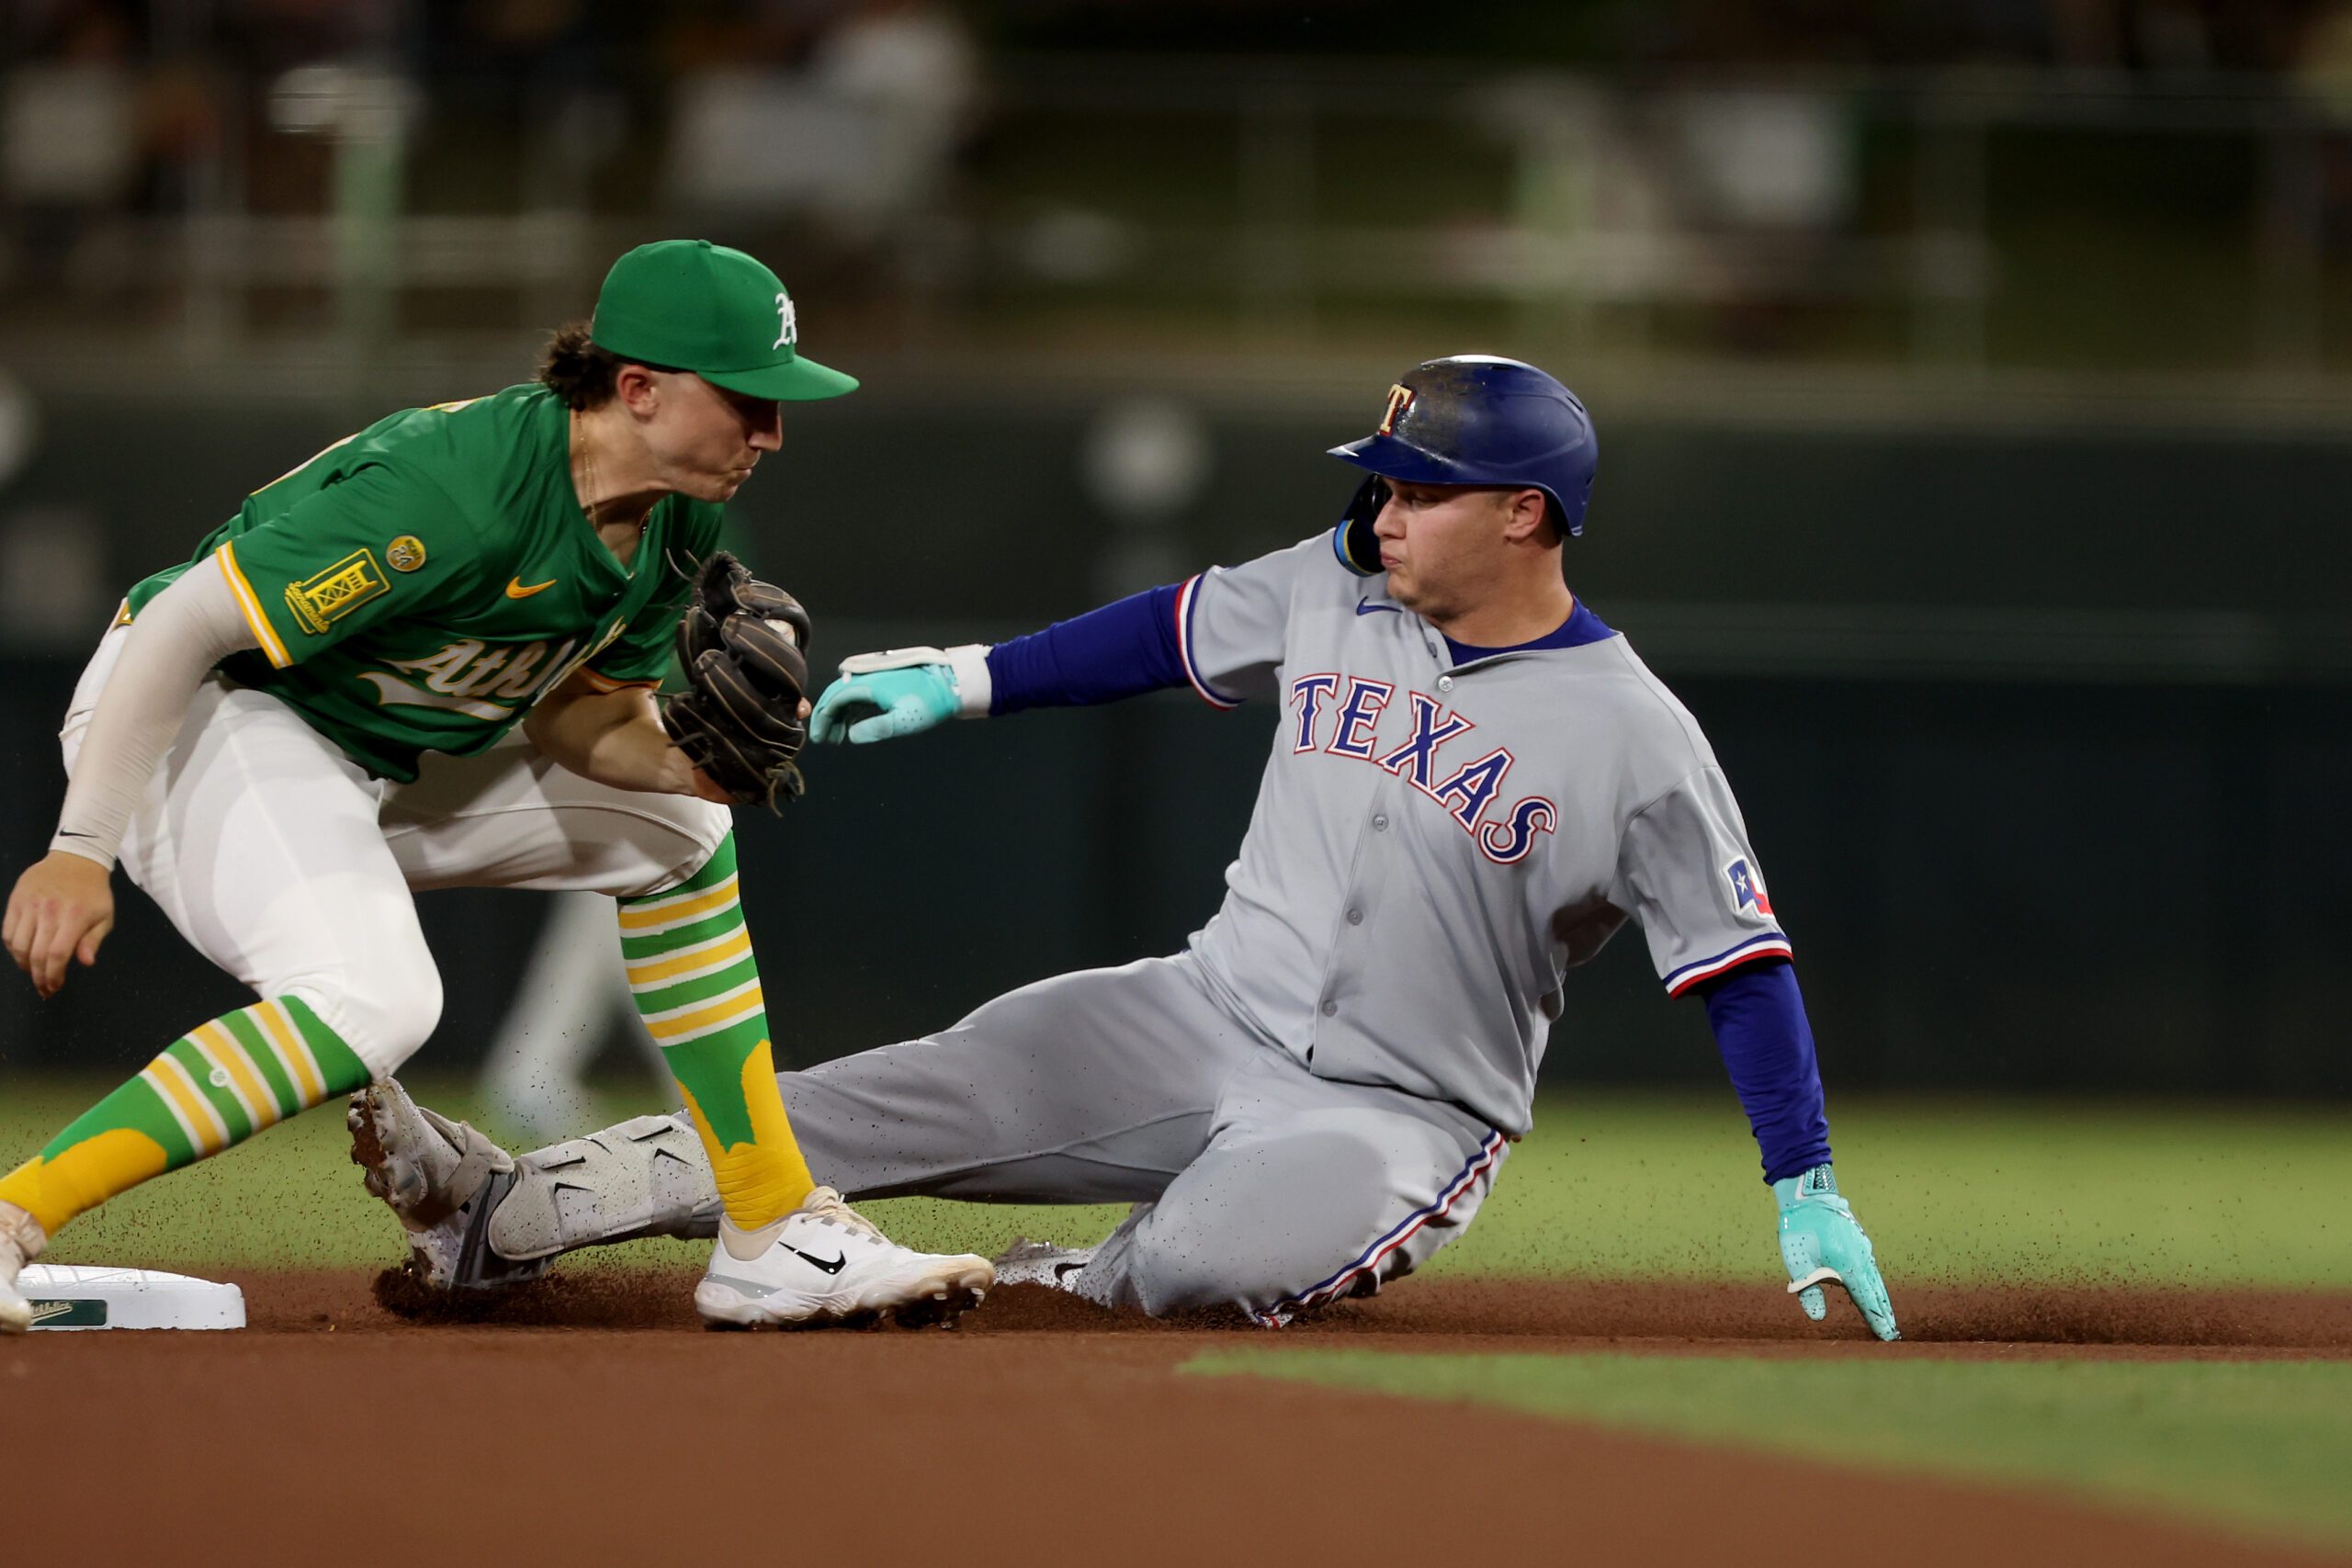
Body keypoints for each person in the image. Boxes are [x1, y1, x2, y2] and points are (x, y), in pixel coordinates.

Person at [345, 355, 1899, 1337]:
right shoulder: (1340, 579)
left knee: (1197, 1272)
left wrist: (1805, 1184)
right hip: (1198, 1008)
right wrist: (959, 677)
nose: (1383, 509)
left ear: (1527, 516)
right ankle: (498, 1212)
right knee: (832, 1111)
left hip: (1397, 1114)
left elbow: (1743, 967)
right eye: (1380, 480)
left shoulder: (1637, 740)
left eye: (1419, 488)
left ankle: (1055, 1283)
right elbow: (1162, 631)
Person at [0, 239, 993, 1334]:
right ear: (638, 389)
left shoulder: (677, 516)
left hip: (371, 754)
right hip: (192, 713)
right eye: (748, 399)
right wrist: (79, 845)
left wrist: (681, 761)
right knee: (374, 998)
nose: (771, 431)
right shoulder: (455, 491)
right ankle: (12, 1216)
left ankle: (769, 1229)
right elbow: (187, 621)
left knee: (681, 829)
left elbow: (579, 718)